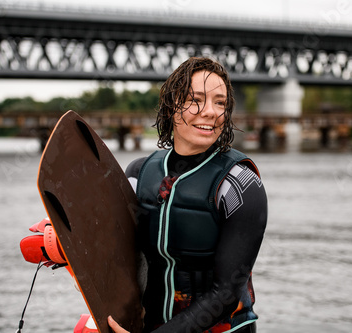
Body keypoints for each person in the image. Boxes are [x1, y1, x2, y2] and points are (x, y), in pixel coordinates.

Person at [108, 57, 268, 333]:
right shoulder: (139, 174)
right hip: (148, 324)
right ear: (171, 105)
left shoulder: (239, 185)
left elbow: (226, 294)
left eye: (220, 103)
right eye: (196, 99)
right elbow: (112, 246)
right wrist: (63, 240)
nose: (210, 112)